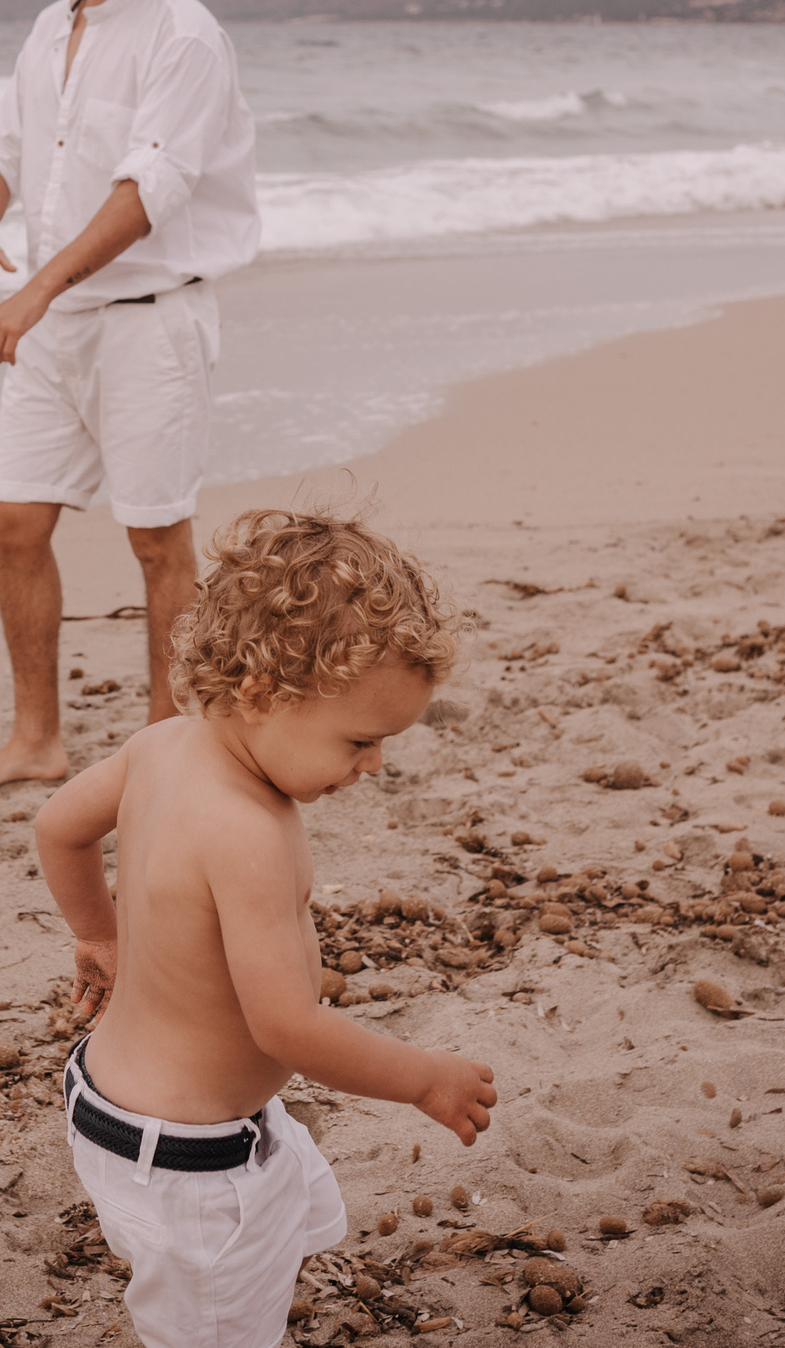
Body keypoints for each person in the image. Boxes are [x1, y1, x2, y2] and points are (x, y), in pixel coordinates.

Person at [34, 511, 497, 1348]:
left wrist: (100, 935)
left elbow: (59, 828)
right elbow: (287, 1024)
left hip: (111, 1099)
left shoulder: (162, 744)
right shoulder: (246, 831)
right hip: (187, 1160)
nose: (372, 765)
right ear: (260, 694)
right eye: (358, 739)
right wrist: (423, 1077)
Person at [0, 0, 261, 796]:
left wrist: (36, 286)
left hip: (150, 322)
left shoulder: (186, 36)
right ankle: (38, 739)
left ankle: (167, 753)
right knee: (14, 524)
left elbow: (148, 187)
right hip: (59, 330)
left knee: (158, 538)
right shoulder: (50, 27)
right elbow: (2, 140)